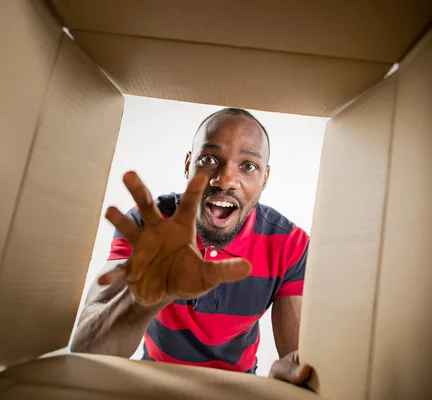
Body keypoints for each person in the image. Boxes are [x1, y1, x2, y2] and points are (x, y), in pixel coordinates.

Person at [71, 108, 313, 386]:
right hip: (149, 381)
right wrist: (149, 293)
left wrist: (284, 378)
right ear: (188, 164)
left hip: (238, 388)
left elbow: (296, 359)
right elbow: (86, 350)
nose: (225, 180)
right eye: (209, 159)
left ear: (265, 178)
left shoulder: (290, 244)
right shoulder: (146, 226)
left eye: (248, 166)